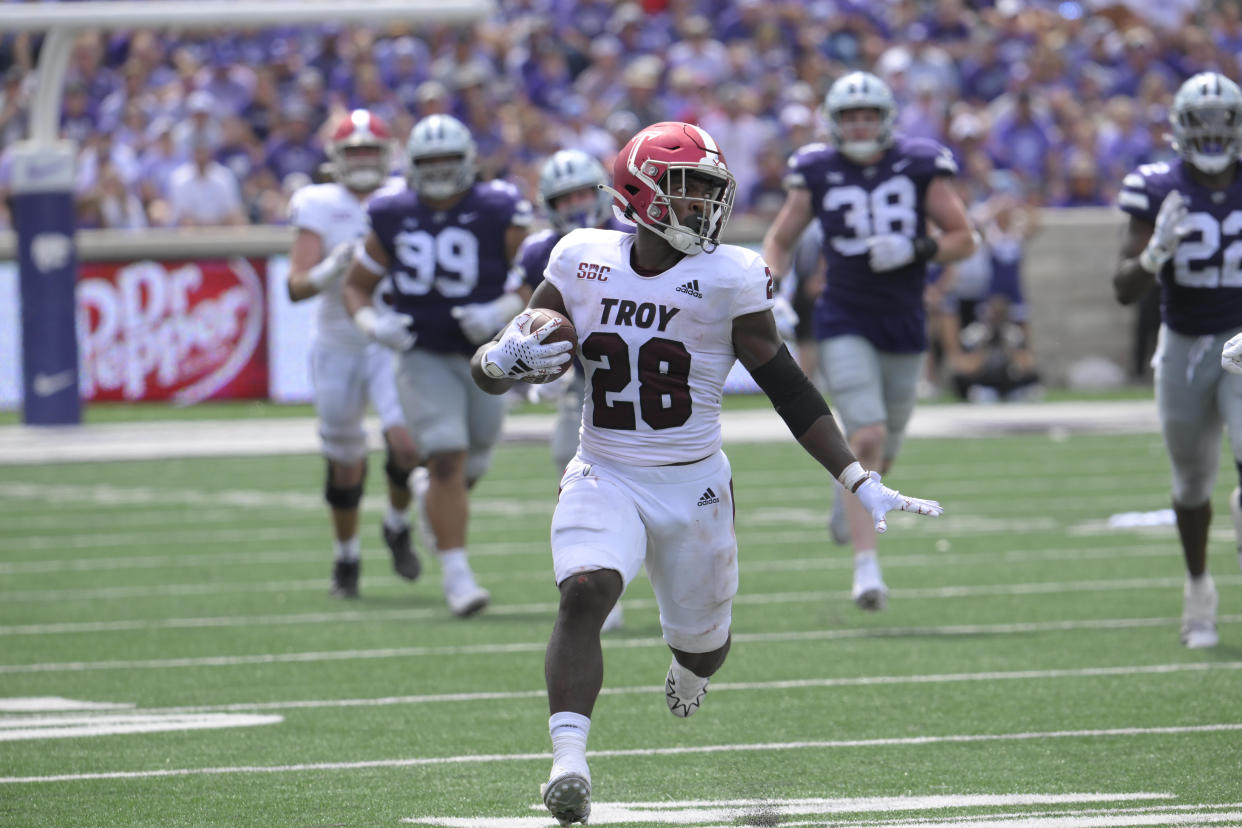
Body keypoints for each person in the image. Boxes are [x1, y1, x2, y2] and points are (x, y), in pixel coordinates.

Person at [469, 121, 944, 826]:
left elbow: (788, 387)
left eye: (709, 192)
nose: (703, 206)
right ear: (641, 191)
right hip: (605, 467)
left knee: (705, 648)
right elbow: (505, 357)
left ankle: (689, 670)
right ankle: (568, 761)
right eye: (688, 189)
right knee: (585, 591)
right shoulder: (578, 258)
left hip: (693, 485)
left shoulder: (731, 276)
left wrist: (856, 477)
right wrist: (497, 363)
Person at [761, 71, 976, 611]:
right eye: (851, 116)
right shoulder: (816, 168)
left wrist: (916, 249)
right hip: (843, 316)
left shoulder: (922, 162)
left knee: (888, 445)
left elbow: (964, 239)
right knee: (870, 434)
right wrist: (770, 287)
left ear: (886, 119)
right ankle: (866, 568)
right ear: (834, 122)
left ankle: (848, 496)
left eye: (869, 115)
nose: (860, 125)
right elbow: (781, 238)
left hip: (904, 320)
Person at [342, 113, 532, 618]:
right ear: (412, 165)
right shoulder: (393, 211)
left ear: (469, 160)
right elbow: (356, 284)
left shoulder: (498, 206)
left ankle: (431, 501)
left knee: (474, 460)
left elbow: (539, 273)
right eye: (431, 162)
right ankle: (457, 576)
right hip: (423, 352)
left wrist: (503, 308)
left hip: (489, 355)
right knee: (446, 455)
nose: (442, 171)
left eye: (450, 160)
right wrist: (372, 325)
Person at [1120, 72, 1242, 649]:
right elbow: (1123, 289)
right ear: (1181, 127)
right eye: (1203, 122)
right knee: (1192, 481)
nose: (1214, 133)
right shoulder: (1155, 186)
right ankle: (1199, 589)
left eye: (1224, 122)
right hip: (1184, 344)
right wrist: (1154, 252)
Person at [284, 110, 421, 599]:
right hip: (339, 343)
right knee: (346, 460)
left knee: (407, 445)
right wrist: (329, 271)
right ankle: (346, 559)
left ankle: (397, 523)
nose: (363, 160)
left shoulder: (406, 196)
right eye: (354, 152)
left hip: (386, 338)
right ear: (337, 159)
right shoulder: (317, 202)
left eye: (371, 151)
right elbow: (296, 286)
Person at [519, 148, 632, 633]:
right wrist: (543, 368)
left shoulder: (630, 240)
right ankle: (592, 579)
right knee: (573, 467)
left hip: (630, 371)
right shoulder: (538, 251)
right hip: (580, 377)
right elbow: (532, 317)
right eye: (566, 197)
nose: (577, 204)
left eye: (585, 192)